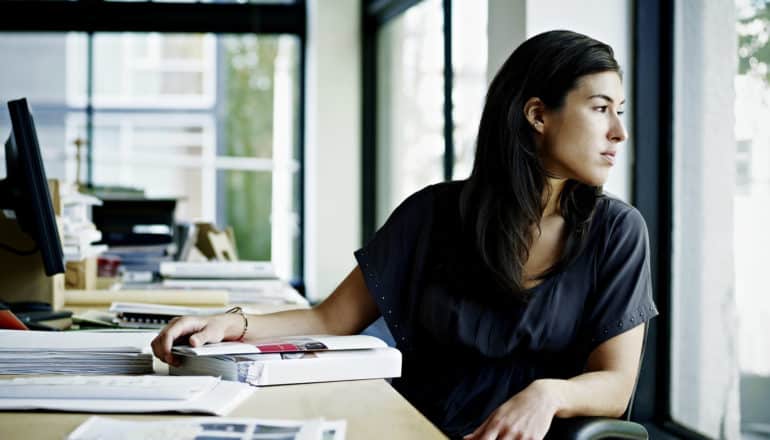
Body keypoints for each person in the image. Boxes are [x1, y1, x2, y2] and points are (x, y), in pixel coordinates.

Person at [152, 29, 658, 440]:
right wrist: (227, 324)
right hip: (409, 428)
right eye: (600, 108)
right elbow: (331, 317)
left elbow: (615, 385)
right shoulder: (433, 214)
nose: (619, 131)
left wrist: (549, 394)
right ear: (537, 114)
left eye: (620, 110)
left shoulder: (617, 232)